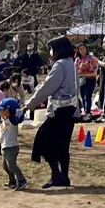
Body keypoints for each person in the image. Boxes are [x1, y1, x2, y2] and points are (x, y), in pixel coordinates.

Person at [27, 37, 80, 189]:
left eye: (51, 48)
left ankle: (56, 175)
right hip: (71, 109)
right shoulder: (72, 63)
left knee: (43, 141)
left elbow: (47, 87)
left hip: (59, 111)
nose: (50, 52)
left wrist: (30, 105)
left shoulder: (60, 65)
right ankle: (64, 176)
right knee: (63, 145)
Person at [0, 99, 27, 191]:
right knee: (5, 166)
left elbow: (19, 115)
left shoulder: (12, 120)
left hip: (11, 147)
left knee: (12, 166)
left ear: (7, 111)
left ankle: (22, 180)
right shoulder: (4, 120)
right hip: (4, 147)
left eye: (1, 110)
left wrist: (23, 109)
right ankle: (12, 181)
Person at [75, 43, 98, 120]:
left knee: (88, 94)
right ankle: (85, 110)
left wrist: (85, 67)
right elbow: (77, 69)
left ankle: (88, 111)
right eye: (80, 49)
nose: (82, 50)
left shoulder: (91, 57)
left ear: (86, 49)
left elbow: (93, 67)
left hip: (91, 78)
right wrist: (83, 68)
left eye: (83, 48)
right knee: (82, 94)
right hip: (82, 79)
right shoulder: (77, 59)